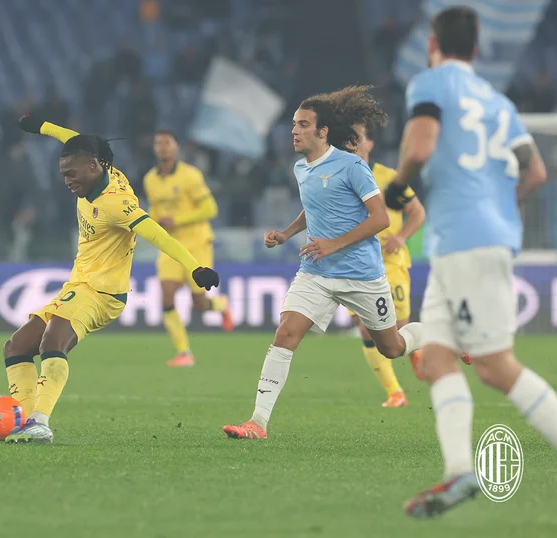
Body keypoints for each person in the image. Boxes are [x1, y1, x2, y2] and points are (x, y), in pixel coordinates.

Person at [384, 7, 556, 518]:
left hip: (464, 240)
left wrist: (398, 185)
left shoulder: (430, 83)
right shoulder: (498, 101)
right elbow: (535, 172)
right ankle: (460, 470)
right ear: (476, 49)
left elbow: (421, 145)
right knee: (436, 360)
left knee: (495, 368)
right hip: (471, 239)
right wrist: (499, 210)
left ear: (433, 44)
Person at [222, 86, 427, 440]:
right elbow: (313, 207)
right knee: (286, 333)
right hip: (317, 272)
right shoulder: (301, 168)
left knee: (392, 347)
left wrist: (334, 243)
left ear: (323, 131)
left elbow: (381, 219)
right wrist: (286, 234)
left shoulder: (352, 166)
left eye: (303, 124)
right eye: (293, 124)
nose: (294, 131)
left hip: (362, 275)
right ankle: (257, 422)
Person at [2, 113, 220, 443]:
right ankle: (22, 420)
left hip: (103, 292)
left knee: (53, 342)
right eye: (63, 174)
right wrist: (41, 127)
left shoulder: (116, 204)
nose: (67, 181)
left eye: (71, 174)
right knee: (16, 346)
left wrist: (195, 267)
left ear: (93, 166)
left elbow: (157, 234)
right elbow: (71, 138)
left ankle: (39, 422)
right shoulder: (94, 162)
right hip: (79, 284)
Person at [347, 121, 427, 407]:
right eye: (348, 138)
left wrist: (401, 237)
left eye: (357, 138)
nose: (352, 143)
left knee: (396, 330)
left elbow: (417, 212)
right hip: (356, 266)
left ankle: (417, 347)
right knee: (366, 329)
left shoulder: (389, 178)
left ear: (370, 144)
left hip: (390, 264)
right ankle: (395, 392)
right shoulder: (340, 176)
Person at [143, 130, 233, 367]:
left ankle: (221, 305)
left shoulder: (190, 176)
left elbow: (210, 209)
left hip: (196, 244)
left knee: (199, 304)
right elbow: (154, 211)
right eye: (158, 143)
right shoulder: (150, 179)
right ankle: (184, 352)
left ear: (176, 147)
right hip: (170, 246)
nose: (162, 147)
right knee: (167, 296)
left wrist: (178, 220)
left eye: (167, 143)